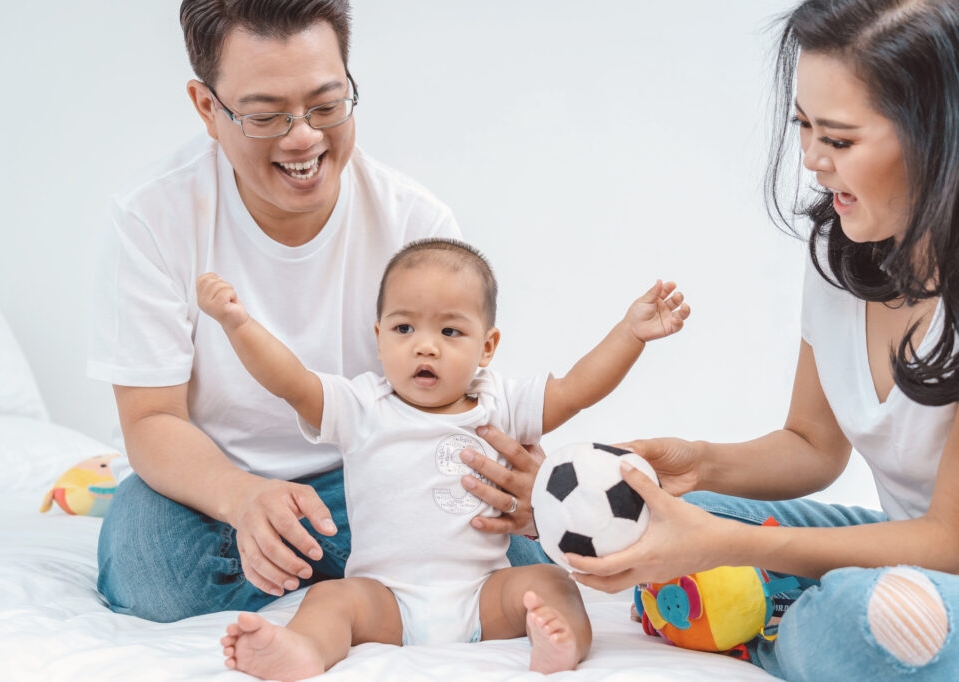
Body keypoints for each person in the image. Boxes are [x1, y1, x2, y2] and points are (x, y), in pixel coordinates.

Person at [466, 0, 959, 679]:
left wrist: (715, 545)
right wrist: (698, 464)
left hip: (938, 567)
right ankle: (773, 607)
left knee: (880, 613)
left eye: (840, 141)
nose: (812, 160)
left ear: (936, 137)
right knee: (682, 514)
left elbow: (947, 540)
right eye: (804, 127)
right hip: (908, 556)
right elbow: (813, 446)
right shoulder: (847, 251)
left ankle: (769, 630)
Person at [87, 0, 544, 623]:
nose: (304, 138)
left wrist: (514, 470)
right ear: (207, 109)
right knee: (152, 572)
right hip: (214, 485)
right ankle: (355, 575)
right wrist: (242, 497)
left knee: (516, 559)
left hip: (380, 470)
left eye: (327, 106)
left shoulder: (415, 222)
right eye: (265, 116)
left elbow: (455, 397)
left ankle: (327, 577)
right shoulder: (153, 217)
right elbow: (149, 418)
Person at [198, 238, 690, 678]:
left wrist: (630, 334)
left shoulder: (501, 403)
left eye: (450, 332)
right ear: (379, 336)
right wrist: (237, 324)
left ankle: (562, 643)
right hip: (384, 598)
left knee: (550, 581)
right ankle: (304, 650)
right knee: (330, 599)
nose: (425, 346)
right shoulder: (361, 406)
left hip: (483, 595)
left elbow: (576, 390)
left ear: (487, 346)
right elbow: (291, 381)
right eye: (404, 327)